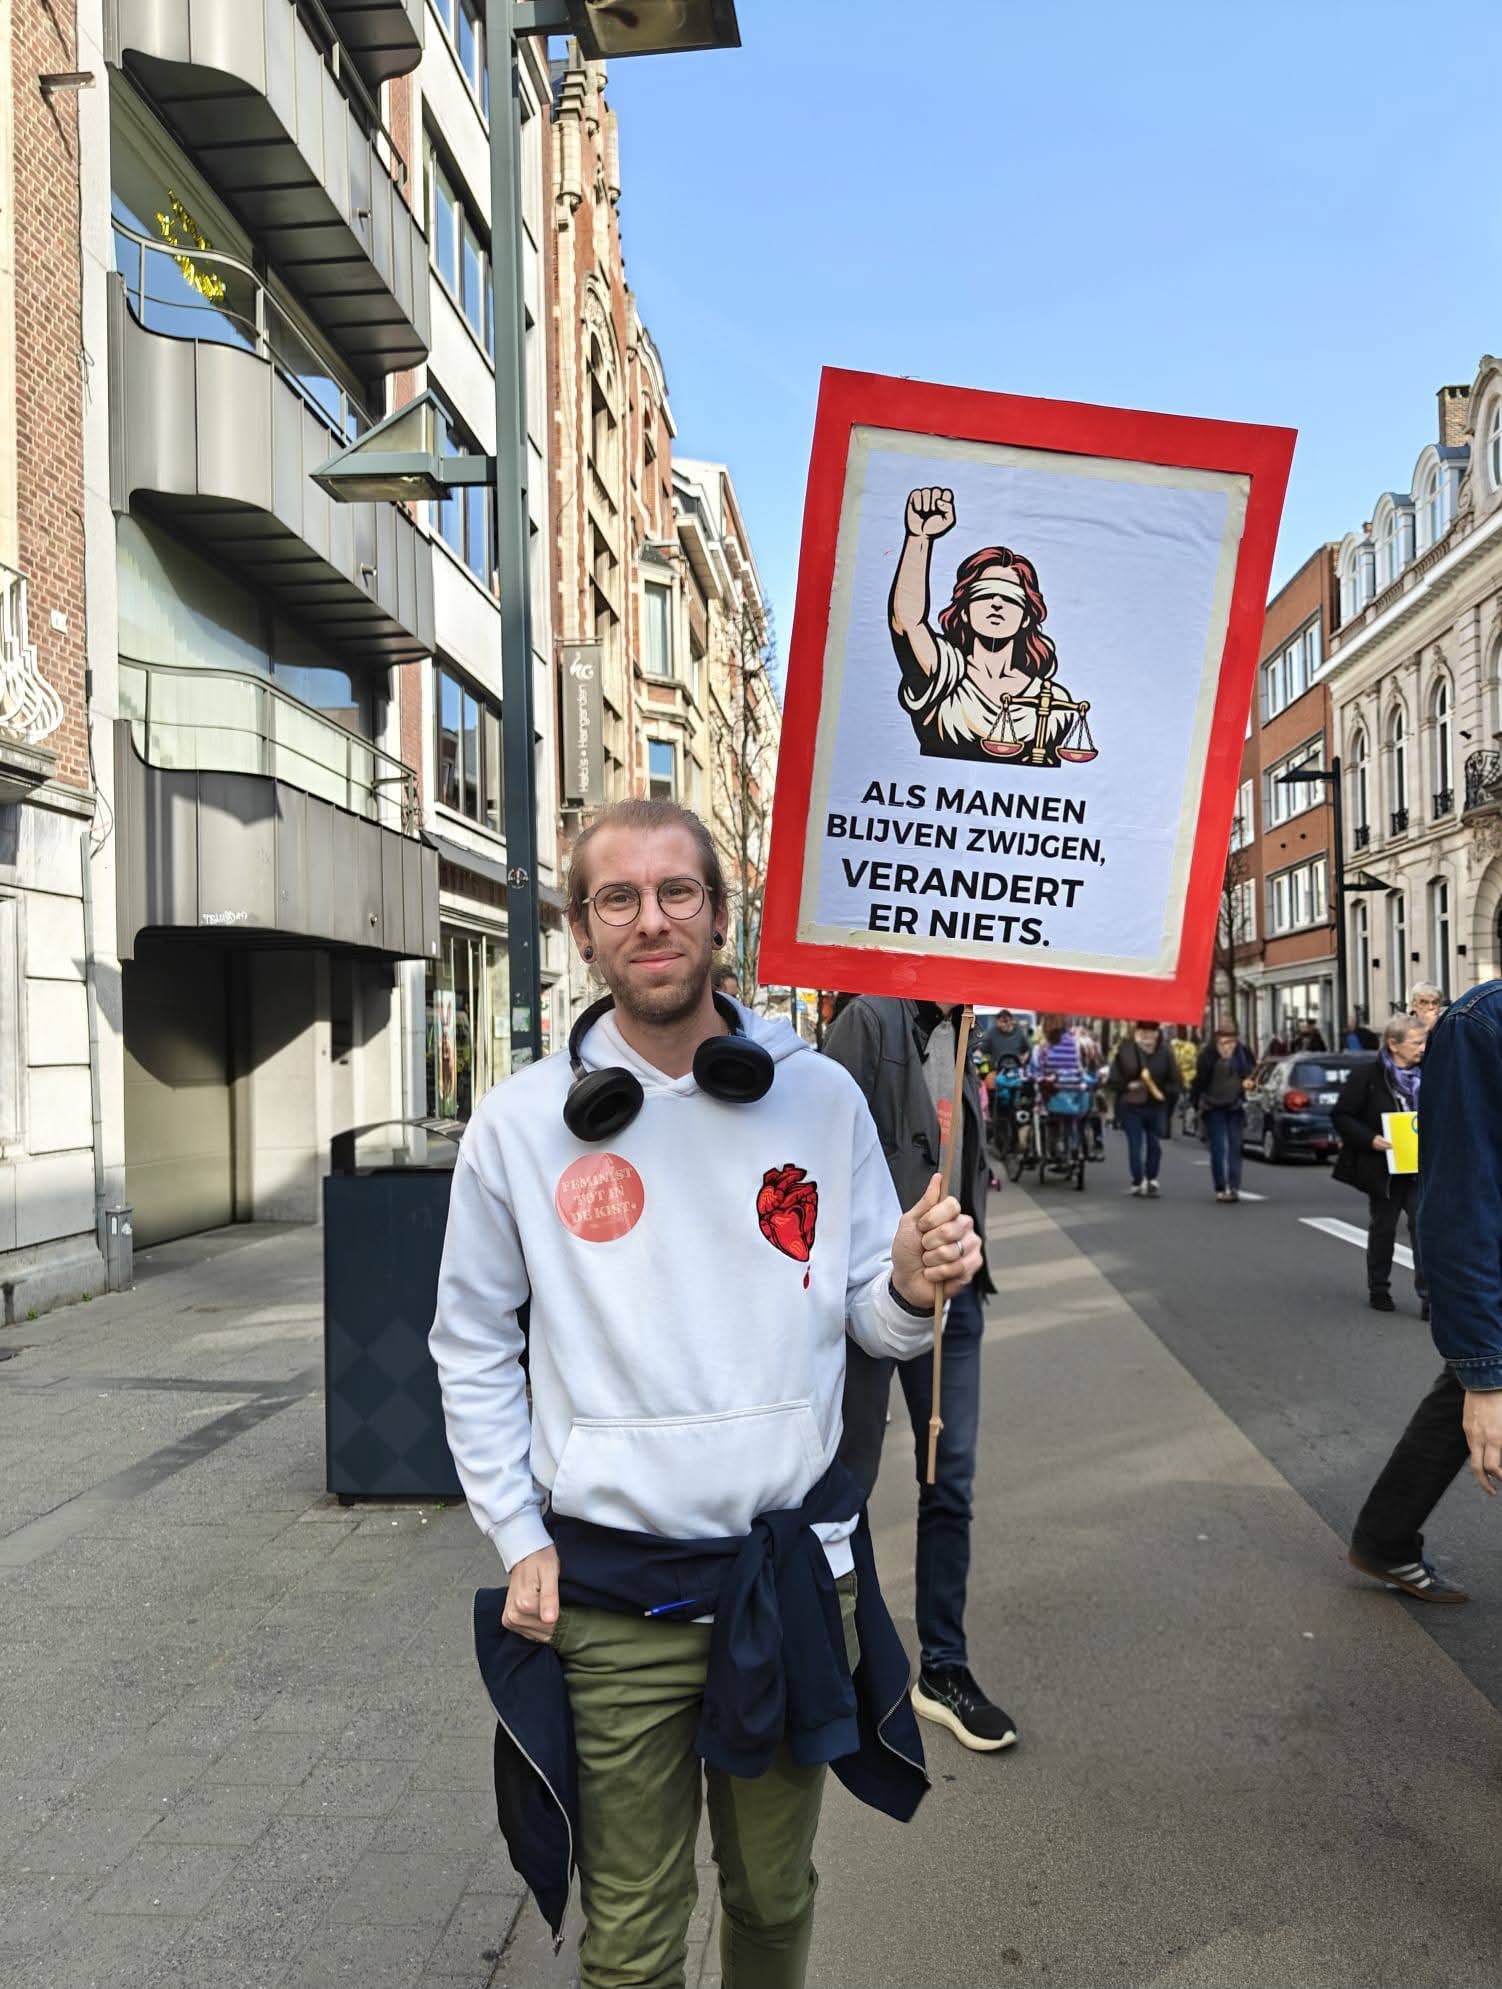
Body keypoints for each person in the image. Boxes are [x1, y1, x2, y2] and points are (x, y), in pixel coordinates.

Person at [429, 798, 983, 1988]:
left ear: (719, 916)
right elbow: (470, 1341)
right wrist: (514, 1532)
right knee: (629, 1938)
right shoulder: (521, 1126)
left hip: (785, 1582)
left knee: (775, 1901)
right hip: (611, 1597)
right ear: (581, 929)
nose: (651, 920)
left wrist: (907, 1279)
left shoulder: (816, 1098)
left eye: (677, 892)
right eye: (617, 898)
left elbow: (872, 1326)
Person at [822, 997, 1015, 1755]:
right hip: (873, 1285)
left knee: (949, 1477)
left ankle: (943, 1667)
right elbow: (823, 1156)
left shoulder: (965, 1029)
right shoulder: (867, 1021)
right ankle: (845, 1652)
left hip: (952, 1296)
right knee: (847, 1474)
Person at [1344, 984, 1502, 1604]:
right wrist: (1485, 1372)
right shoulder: (1478, 1028)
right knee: (1466, 1389)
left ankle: (1383, 1539)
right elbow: (1460, 1205)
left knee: (1457, 1394)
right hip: (1418, 1196)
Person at [889, 487, 1083, 766]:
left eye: (1009, 598)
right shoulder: (945, 673)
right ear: (965, 611)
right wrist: (919, 538)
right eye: (983, 595)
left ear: (1026, 617)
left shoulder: (1053, 702)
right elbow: (907, 622)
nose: (996, 604)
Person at [1331, 1015, 1427, 1315]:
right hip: (1383, 1168)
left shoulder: (1430, 1074)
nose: (1422, 1048)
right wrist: (1371, 1139)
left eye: (1423, 1041)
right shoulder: (1367, 1077)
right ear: (1393, 1045)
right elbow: (1342, 1115)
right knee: (1383, 1227)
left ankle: (1429, 1298)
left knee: (1423, 1229)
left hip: (1420, 1167)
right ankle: (1379, 1288)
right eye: (1416, 1043)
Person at [1108, 1022, 1180, 1198]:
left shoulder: (1165, 1053)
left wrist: (1163, 1092)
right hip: (1131, 1105)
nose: (1147, 1038)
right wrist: (1127, 1086)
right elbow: (1113, 1080)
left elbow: (1175, 1081)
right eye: (1143, 1033)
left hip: (1156, 1105)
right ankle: (1138, 1179)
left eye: (1151, 1033)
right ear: (1136, 1033)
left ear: (1157, 1034)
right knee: (1135, 1143)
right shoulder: (1126, 1052)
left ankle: (1152, 1178)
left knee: (1154, 1144)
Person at [1191, 1021, 1255, 1203]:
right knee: (1219, 1148)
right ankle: (1220, 1187)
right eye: (1223, 1042)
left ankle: (1233, 1186)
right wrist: (1196, 1104)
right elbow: (1200, 1082)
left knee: (1235, 1147)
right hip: (1213, 1107)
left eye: (1231, 1041)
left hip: (1235, 1106)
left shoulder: (1243, 1054)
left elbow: (1251, 1075)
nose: (1228, 1046)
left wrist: (1249, 1085)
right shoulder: (1207, 1056)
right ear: (1217, 1039)